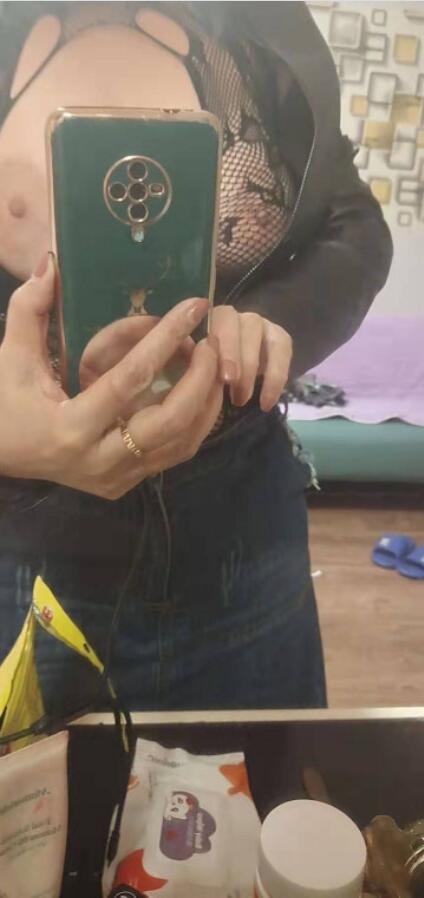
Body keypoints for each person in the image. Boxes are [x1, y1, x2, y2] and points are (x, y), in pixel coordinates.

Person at [0, 1, 392, 716]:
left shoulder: (255, 26)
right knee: (42, 792)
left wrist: (269, 323)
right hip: (23, 557)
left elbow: (354, 224)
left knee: (263, 780)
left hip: (243, 540)